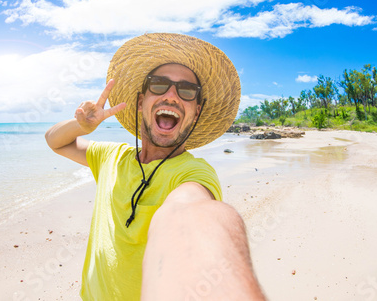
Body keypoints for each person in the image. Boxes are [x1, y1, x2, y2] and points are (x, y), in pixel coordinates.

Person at [45, 33, 265, 300]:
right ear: (141, 102)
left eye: (186, 90)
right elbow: (55, 141)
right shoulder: (111, 157)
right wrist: (81, 125)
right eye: (159, 85)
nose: (171, 95)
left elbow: (191, 214)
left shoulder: (193, 174)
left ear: (196, 111)